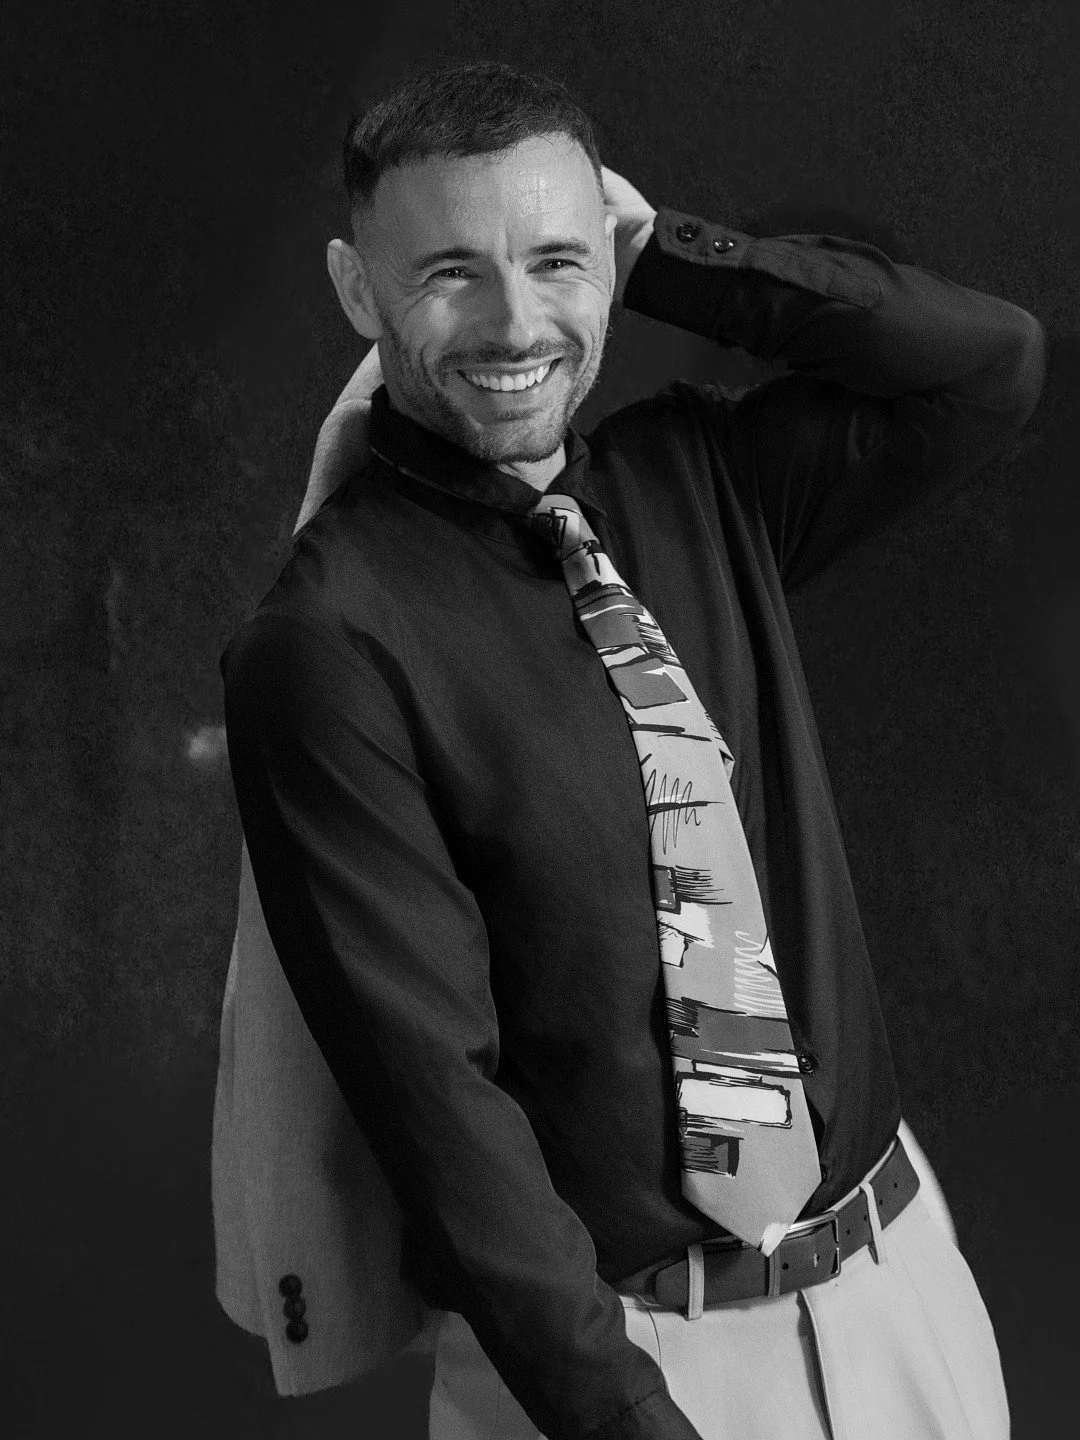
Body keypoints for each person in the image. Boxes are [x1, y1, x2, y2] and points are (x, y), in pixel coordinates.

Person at [214, 59, 1045, 1440]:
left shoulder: (699, 480)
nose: (516, 320)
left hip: (903, 1296)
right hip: (634, 1368)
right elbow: (446, 1121)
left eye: (556, 259)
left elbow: (988, 366)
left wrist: (679, 262)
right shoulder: (327, 646)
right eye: (450, 275)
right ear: (359, 293)